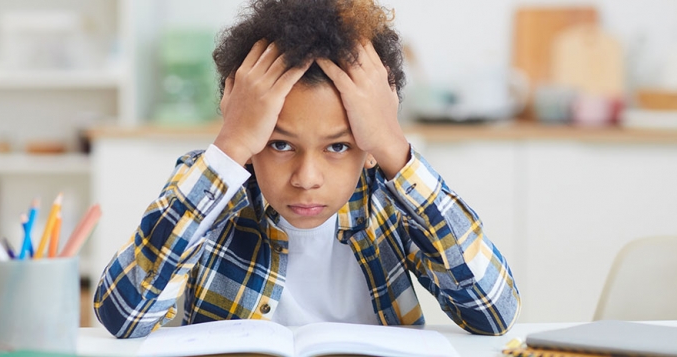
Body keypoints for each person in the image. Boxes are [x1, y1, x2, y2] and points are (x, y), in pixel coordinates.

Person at [94, 0, 520, 339]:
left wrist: (392, 146)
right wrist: (231, 145)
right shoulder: (211, 185)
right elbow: (122, 316)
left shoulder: (390, 196)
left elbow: (493, 313)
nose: (307, 178)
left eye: (338, 146)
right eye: (280, 144)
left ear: (369, 147)